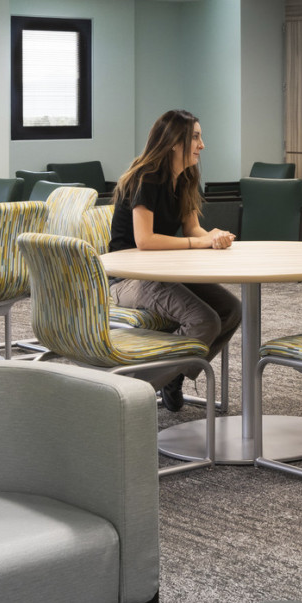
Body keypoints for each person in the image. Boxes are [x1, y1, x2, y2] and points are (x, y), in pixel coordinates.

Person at [109, 109, 241, 412]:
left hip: (163, 273)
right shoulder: (147, 178)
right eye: (195, 137)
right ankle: (127, 393)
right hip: (129, 278)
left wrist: (213, 236)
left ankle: (174, 374)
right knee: (204, 320)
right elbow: (145, 240)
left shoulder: (184, 177)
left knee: (231, 310)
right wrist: (200, 242)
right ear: (173, 143)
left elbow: (193, 228)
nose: (202, 144)